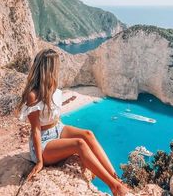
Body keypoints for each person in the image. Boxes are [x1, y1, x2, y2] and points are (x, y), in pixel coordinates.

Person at [18, 48, 130, 196]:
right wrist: (39, 161)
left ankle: (117, 178)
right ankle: (114, 187)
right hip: (43, 143)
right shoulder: (33, 95)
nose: (58, 69)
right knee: (79, 144)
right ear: (48, 68)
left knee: (88, 134)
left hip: (57, 128)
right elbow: (36, 130)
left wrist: (62, 132)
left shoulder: (53, 88)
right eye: (56, 66)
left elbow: (54, 118)